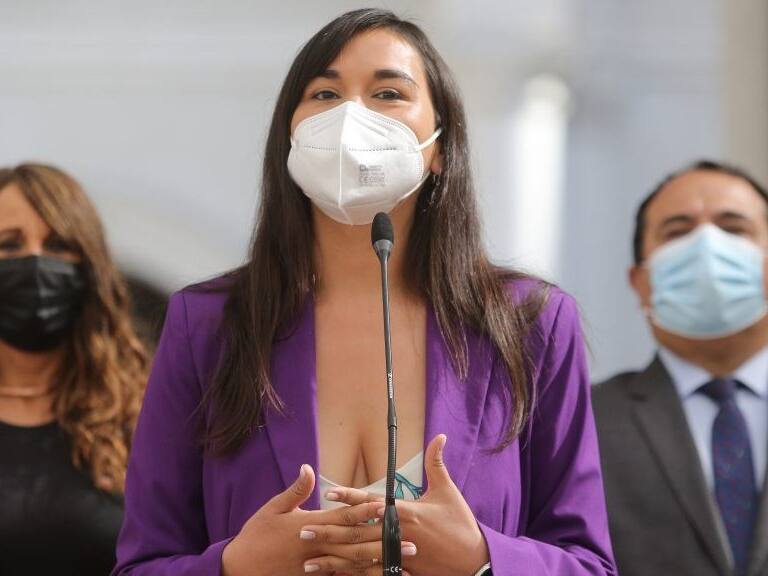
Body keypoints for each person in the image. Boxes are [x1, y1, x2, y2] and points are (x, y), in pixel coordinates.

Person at [114, 9, 616, 576]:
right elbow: (141, 564)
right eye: (325, 94)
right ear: (291, 137)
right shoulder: (206, 323)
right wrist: (233, 567)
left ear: (440, 146)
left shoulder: (530, 322)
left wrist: (481, 559)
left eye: (387, 93)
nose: (352, 115)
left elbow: (590, 565)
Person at [593, 160, 768, 576]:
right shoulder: (582, 422)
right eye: (677, 232)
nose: (708, 246)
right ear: (639, 282)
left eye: (734, 228)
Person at [0, 163, 149, 574]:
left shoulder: (147, 420)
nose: (34, 262)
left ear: (89, 267)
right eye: (10, 245)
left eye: (57, 245)